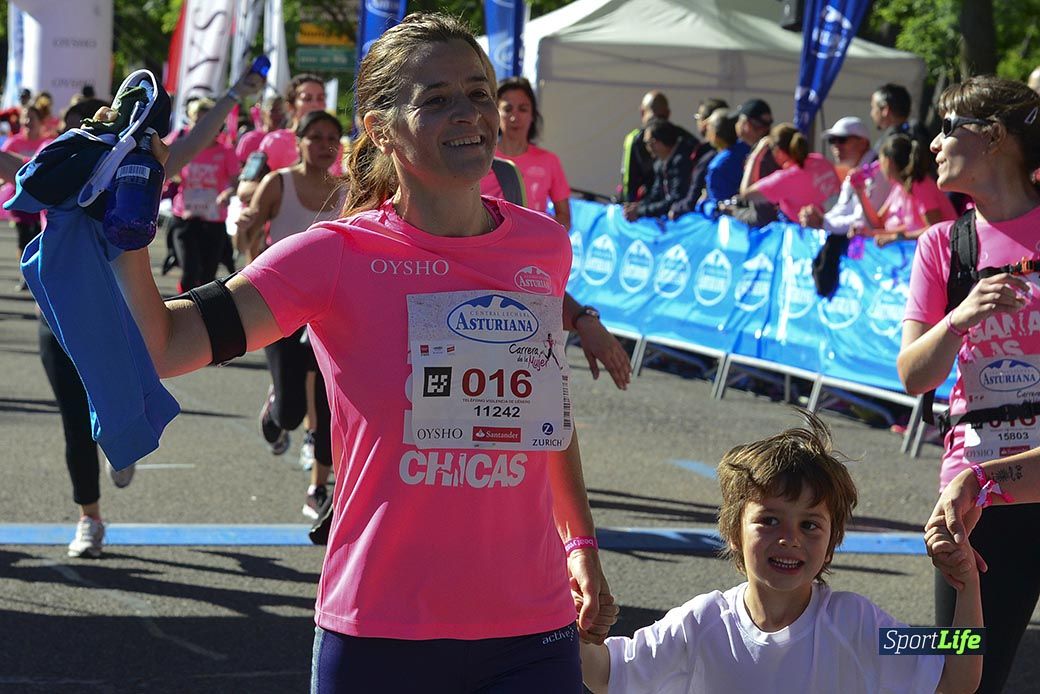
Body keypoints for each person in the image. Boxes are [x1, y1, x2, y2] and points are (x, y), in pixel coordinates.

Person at [107, 13, 613, 690]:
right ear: (380, 129)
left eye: (478, 92)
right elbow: (167, 346)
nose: (468, 113)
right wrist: (127, 229)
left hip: (532, 632)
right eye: (436, 99)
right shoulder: (335, 256)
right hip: (381, 631)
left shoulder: (541, 246)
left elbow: (545, 416)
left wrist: (580, 543)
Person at [579, 411, 982, 694]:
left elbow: (955, 677)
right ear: (733, 532)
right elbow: (604, 674)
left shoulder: (856, 622)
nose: (789, 538)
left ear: (831, 544)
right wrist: (576, 618)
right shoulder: (700, 622)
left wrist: (968, 586)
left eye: (809, 525)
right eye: (769, 520)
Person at [898, 75, 1040, 693]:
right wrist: (959, 318)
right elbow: (913, 375)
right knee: (960, 669)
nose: (933, 143)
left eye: (948, 127)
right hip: (975, 490)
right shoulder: (942, 244)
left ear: (995, 136)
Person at [235, 110, 345, 516]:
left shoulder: (346, 189)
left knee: (330, 400)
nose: (324, 145)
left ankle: (318, 486)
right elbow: (246, 239)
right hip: (280, 303)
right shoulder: (278, 183)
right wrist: (244, 227)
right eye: (315, 136)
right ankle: (276, 407)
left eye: (332, 138)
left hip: (329, 307)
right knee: (291, 411)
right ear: (299, 141)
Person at [167, 97, 241, 292]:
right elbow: (161, 161)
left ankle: (200, 308)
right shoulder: (182, 146)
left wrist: (227, 193)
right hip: (185, 217)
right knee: (190, 271)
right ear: (190, 123)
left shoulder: (226, 151)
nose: (203, 128)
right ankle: (183, 303)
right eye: (197, 122)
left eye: (208, 122)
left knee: (208, 276)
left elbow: (236, 182)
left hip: (213, 219)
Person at [480, 76, 572, 229]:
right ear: (496, 114)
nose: (515, 117)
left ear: (533, 115)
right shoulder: (480, 157)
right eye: (507, 109)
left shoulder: (549, 160)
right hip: (488, 242)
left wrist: (539, 229)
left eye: (523, 109)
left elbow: (565, 218)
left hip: (533, 243)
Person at [852, 133, 955, 247]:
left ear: (888, 162)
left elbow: (935, 229)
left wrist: (897, 238)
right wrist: (860, 193)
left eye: (880, 160)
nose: (879, 166)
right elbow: (879, 223)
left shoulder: (921, 186)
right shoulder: (899, 188)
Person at [798, 116, 890, 238]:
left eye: (842, 140)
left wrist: (822, 222)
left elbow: (864, 222)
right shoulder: (855, 171)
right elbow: (843, 208)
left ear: (863, 143)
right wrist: (819, 219)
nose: (836, 146)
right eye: (832, 140)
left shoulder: (879, 171)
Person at [733, 122, 841, 223]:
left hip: (807, 231)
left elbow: (746, 194)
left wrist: (755, 155)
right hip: (836, 222)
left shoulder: (784, 179)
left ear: (779, 152)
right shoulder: (819, 159)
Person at [620, 91, 696, 203]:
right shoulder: (684, 136)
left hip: (663, 204)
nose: (651, 148)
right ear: (668, 113)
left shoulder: (634, 139)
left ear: (642, 112)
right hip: (660, 203)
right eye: (648, 143)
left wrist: (630, 205)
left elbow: (628, 180)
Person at [622, 118, 694, 220]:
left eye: (648, 142)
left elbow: (676, 199)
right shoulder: (660, 163)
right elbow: (656, 194)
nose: (647, 147)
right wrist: (638, 206)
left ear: (659, 141)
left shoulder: (682, 161)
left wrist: (640, 211)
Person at [669, 98, 727, 219]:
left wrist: (675, 208)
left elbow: (693, 198)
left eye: (698, 117)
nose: (698, 122)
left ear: (708, 122)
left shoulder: (711, 158)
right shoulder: (702, 151)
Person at [684, 109, 748, 219]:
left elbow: (717, 205)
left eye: (709, 128)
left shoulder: (718, 166)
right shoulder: (749, 149)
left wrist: (702, 204)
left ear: (715, 136)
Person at [869, 83, 935, 174]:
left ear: (885, 109)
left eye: (873, 107)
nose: (871, 114)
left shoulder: (892, 140)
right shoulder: (920, 132)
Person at [734, 98, 780, 190]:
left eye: (739, 120)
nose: (736, 124)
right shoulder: (772, 149)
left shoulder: (765, 156)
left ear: (747, 124)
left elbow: (750, 193)